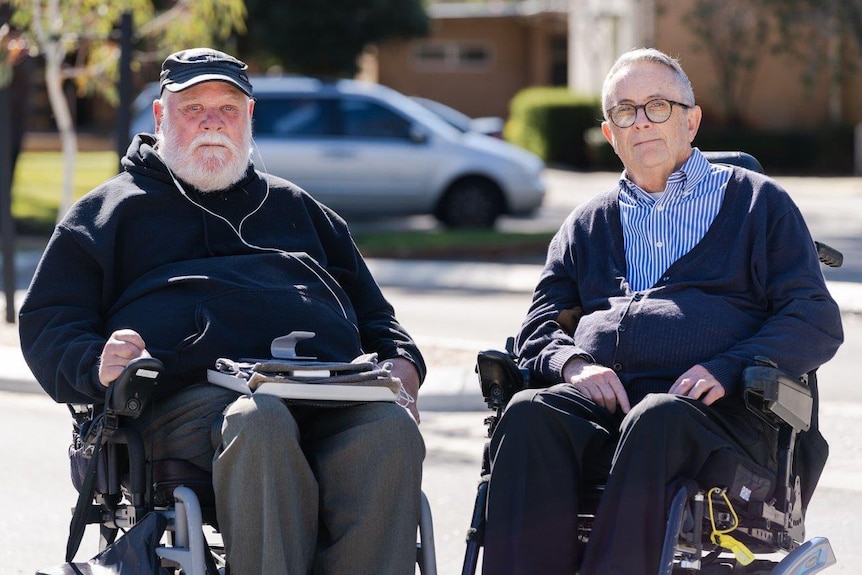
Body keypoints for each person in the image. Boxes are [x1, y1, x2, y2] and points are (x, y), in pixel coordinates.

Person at [19, 47, 426, 575]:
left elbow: (379, 317)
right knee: (261, 421)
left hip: (324, 391)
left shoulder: (299, 210)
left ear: (249, 118)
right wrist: (98, 360)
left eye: (228, 109)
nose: (213, 123)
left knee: (388, 430)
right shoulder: (108, 213)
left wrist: (401, 359)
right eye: (194, 109)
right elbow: (49, 322)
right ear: (162, 117)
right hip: (188, 403)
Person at [480, 47, 843, 575]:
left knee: (658, 416)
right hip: (608, 411)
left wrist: (728, 367)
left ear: (691, 121)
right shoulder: (587, 224)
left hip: (722, 415)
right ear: (610, 134)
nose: (641, 121)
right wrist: (575, 366)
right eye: (624, 111)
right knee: (531, 412)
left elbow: (814, 317)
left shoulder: (757, 204)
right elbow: (539, 324)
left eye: (657, 106)